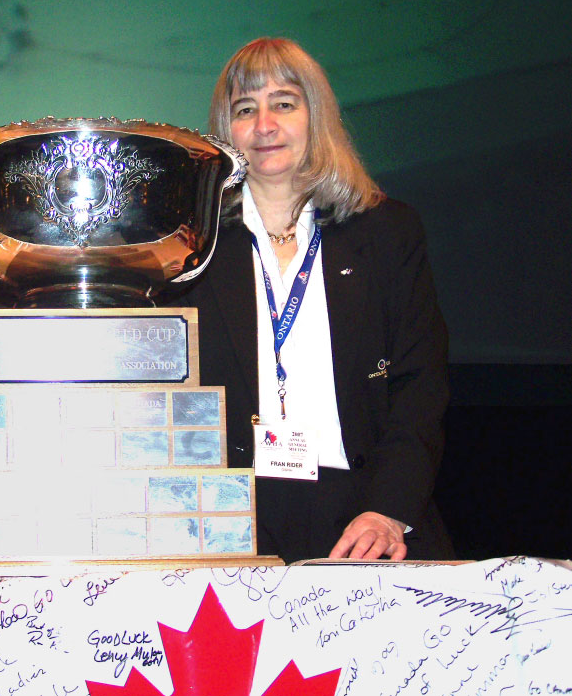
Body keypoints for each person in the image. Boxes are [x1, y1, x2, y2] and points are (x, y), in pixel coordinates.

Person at [180, 38, 454, 563]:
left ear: (317, 116)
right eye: (244, 110)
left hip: (365, 516)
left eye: (283, 103)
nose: (264, 125)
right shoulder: (192, 246)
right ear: (225, 133)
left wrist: (388, 510)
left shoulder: (387, 232)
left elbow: (421, 385)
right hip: (230, 521)